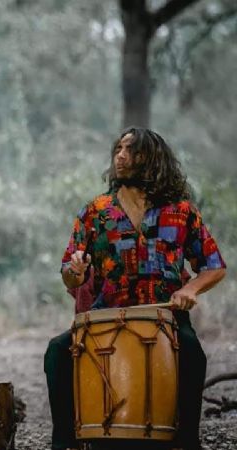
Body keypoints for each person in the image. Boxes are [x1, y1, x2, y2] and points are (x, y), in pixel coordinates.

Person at [44, 128, 227, 450]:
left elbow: (214, 265)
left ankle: (187, 440)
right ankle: (65, 442)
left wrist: (191, 290)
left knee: (193, 354)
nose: (121, 156)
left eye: (132, 150)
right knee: (57, 352)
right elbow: (68, 274)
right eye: (118, 149)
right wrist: (75, 272)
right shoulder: (96, 212)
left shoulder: (182, 211)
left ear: (153, 159)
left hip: (165, 314)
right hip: (107, 313)